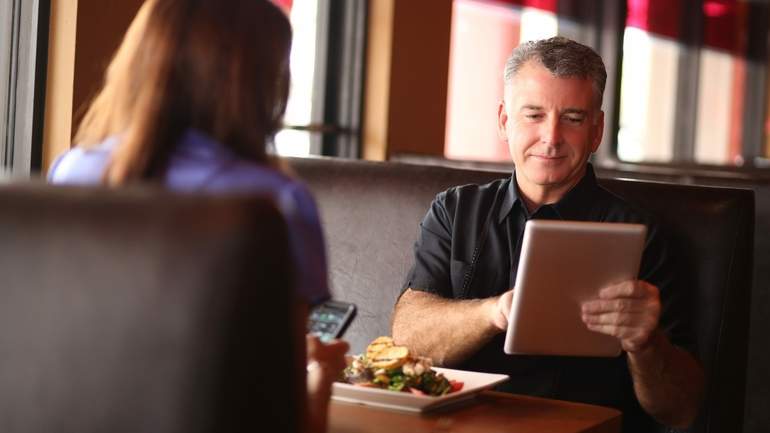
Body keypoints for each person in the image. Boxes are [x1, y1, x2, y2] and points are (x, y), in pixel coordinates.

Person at [47, 0, 347, 431]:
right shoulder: (276, 201)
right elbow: (294, 422)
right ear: (259, 80)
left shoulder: (70, 171)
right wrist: (321, 377)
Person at [391, 36, 704, 433]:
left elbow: (680, 411)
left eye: (572, 118)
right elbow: (408, 339)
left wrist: (646, 343)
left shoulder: (644, 234)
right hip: (455, 423)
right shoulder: (454, 211)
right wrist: (498, 311)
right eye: (534, 115)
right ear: (505, 121)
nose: (551, 138)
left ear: (596, 130)